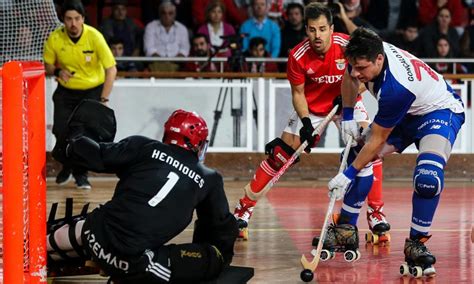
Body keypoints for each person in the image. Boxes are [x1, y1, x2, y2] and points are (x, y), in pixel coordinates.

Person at [233, 3, 389, 242]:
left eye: (323, 29)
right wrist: (306, 123)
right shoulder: (297, 55)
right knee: (280, 155)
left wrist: (352, 91)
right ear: (306, 30)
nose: (318, 35)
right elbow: (298, 93)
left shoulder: (347, 46)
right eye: (313, 29)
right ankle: (243, 209)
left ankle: (375, 213)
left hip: (346, 103)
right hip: (313, 107)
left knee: (370, 149)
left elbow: (367, 75)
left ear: (331, 28)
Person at [328, 27, 464, 277]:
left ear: (379, 60)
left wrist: (347, 175)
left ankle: (416, 244)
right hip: (409, 110)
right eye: (354, 66)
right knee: (354, 153)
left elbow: (378, 138)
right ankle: (346, 228)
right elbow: (349, 76)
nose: (358, 73)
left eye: (362, 68)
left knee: (427, 179)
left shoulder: (395, 88)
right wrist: (347, 112)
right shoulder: (364, 55)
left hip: (438, 112)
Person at [47, 109, 239, 283]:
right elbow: (219, 228)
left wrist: (74, 138)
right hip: (133, 262)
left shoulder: (143, 146)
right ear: (198, 143)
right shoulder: (210, 178)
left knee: (103, 219)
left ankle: (37, 246)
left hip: (93, 234)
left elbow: (96, 156)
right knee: (216, 256)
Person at [44, 0, 117, 190]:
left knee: (83, 136)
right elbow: (48, 66)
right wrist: (58, 72)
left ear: (83, 19)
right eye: (68, 19)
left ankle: (81, 175)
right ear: (63, 20)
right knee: (60, 130)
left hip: (92, 91)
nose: (73, 24)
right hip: (66, 91)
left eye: (77, 18)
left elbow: (111, 69)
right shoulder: (55, 38)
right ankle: (68, 165)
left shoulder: (95, 37)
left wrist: (103, 99)